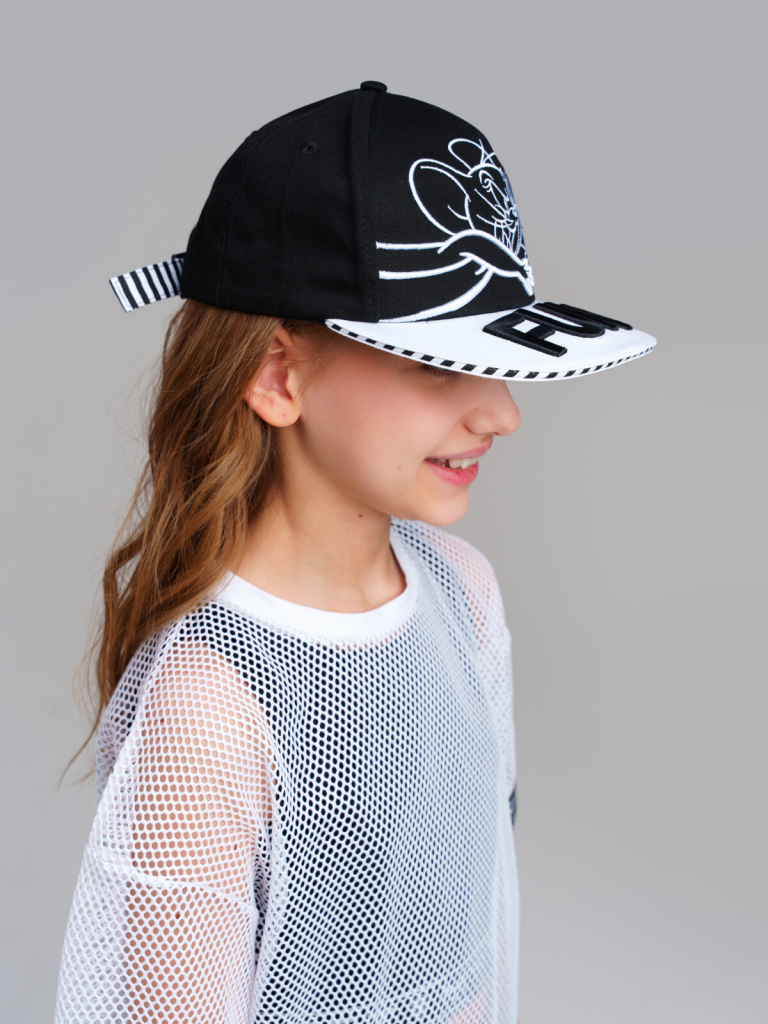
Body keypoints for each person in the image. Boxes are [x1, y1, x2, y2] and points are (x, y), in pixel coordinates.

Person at [54, 82, 656, 1024]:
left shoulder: (463, 597)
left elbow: (471, 953)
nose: (502, 411)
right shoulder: (209, 711)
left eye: (496, 358)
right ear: (278, 375)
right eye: (439, 363)